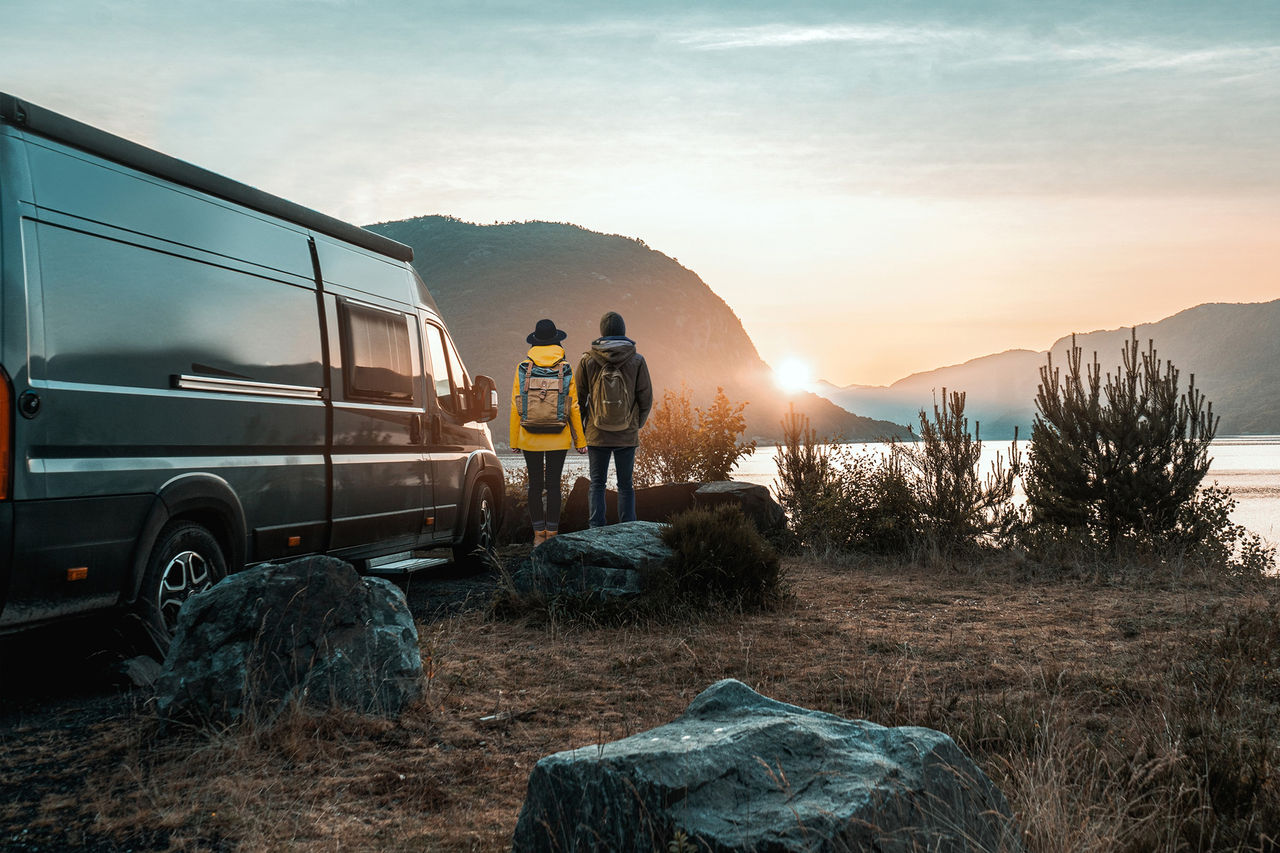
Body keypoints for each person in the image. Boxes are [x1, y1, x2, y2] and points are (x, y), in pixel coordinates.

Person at [510, 319, 586, 544]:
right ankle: (552, 535)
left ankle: (538, 537)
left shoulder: (523, 367)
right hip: (558, 436)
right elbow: (573, 406)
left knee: (534, 486)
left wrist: (514, 440)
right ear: (556, 341)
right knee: (553, 486)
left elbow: (515, 405)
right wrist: (580, 441)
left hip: (529, 435)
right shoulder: (566, 367)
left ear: (535, 341)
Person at [576, 311, 653, 527]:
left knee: (597, 484)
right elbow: (646, 397)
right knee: (626, 485)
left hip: (596, 433)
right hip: (626, 433)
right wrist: (636, 424)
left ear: (602, 331)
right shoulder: (637, 360)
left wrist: (582, 429)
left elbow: (577, 399)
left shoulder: (587, 360)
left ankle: (595, 529)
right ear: (623, 330)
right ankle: (628, 529)